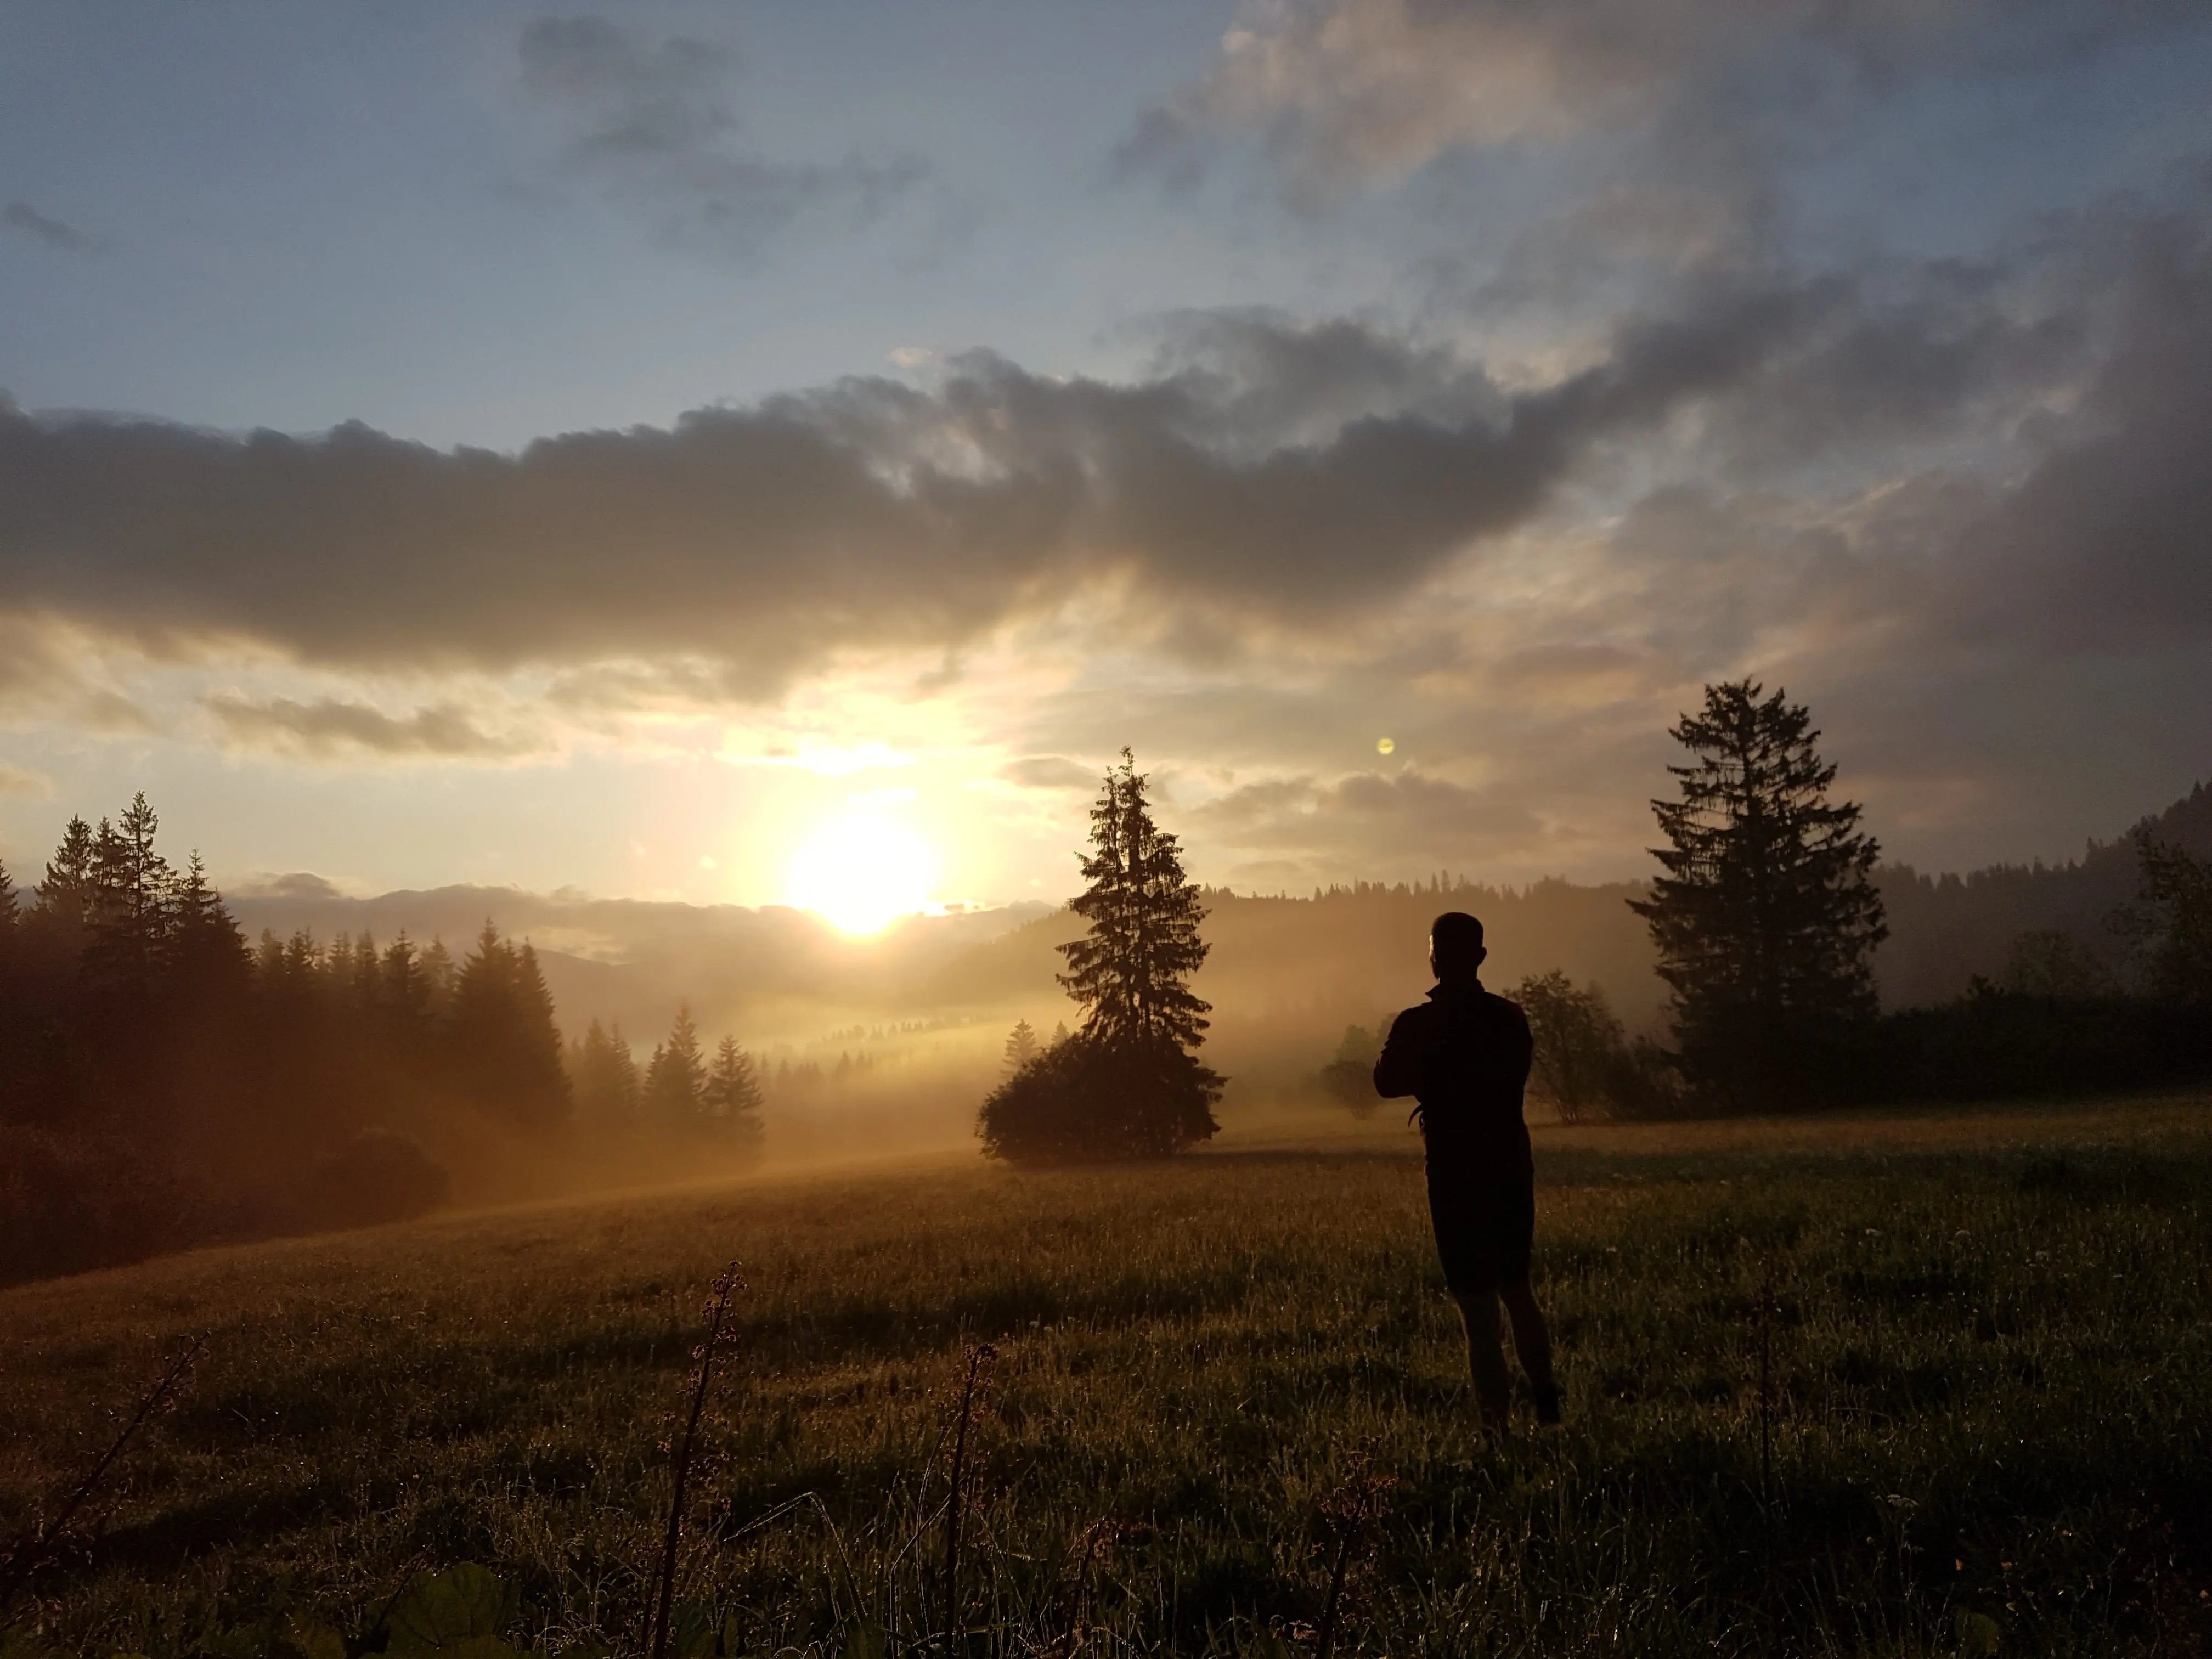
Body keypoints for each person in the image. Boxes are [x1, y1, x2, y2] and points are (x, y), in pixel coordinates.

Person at [1374, 911, 1560, 1430]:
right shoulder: (1510, 1019)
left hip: (1454, 1177)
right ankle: (1547, 1404)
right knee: (1517, 1288)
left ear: (1433, 959)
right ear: (1481, 956)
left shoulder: (1415, 1024)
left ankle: (1496, 1430)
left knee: (1478, 1314)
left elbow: (1385, 1081)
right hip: (1509, 1168)